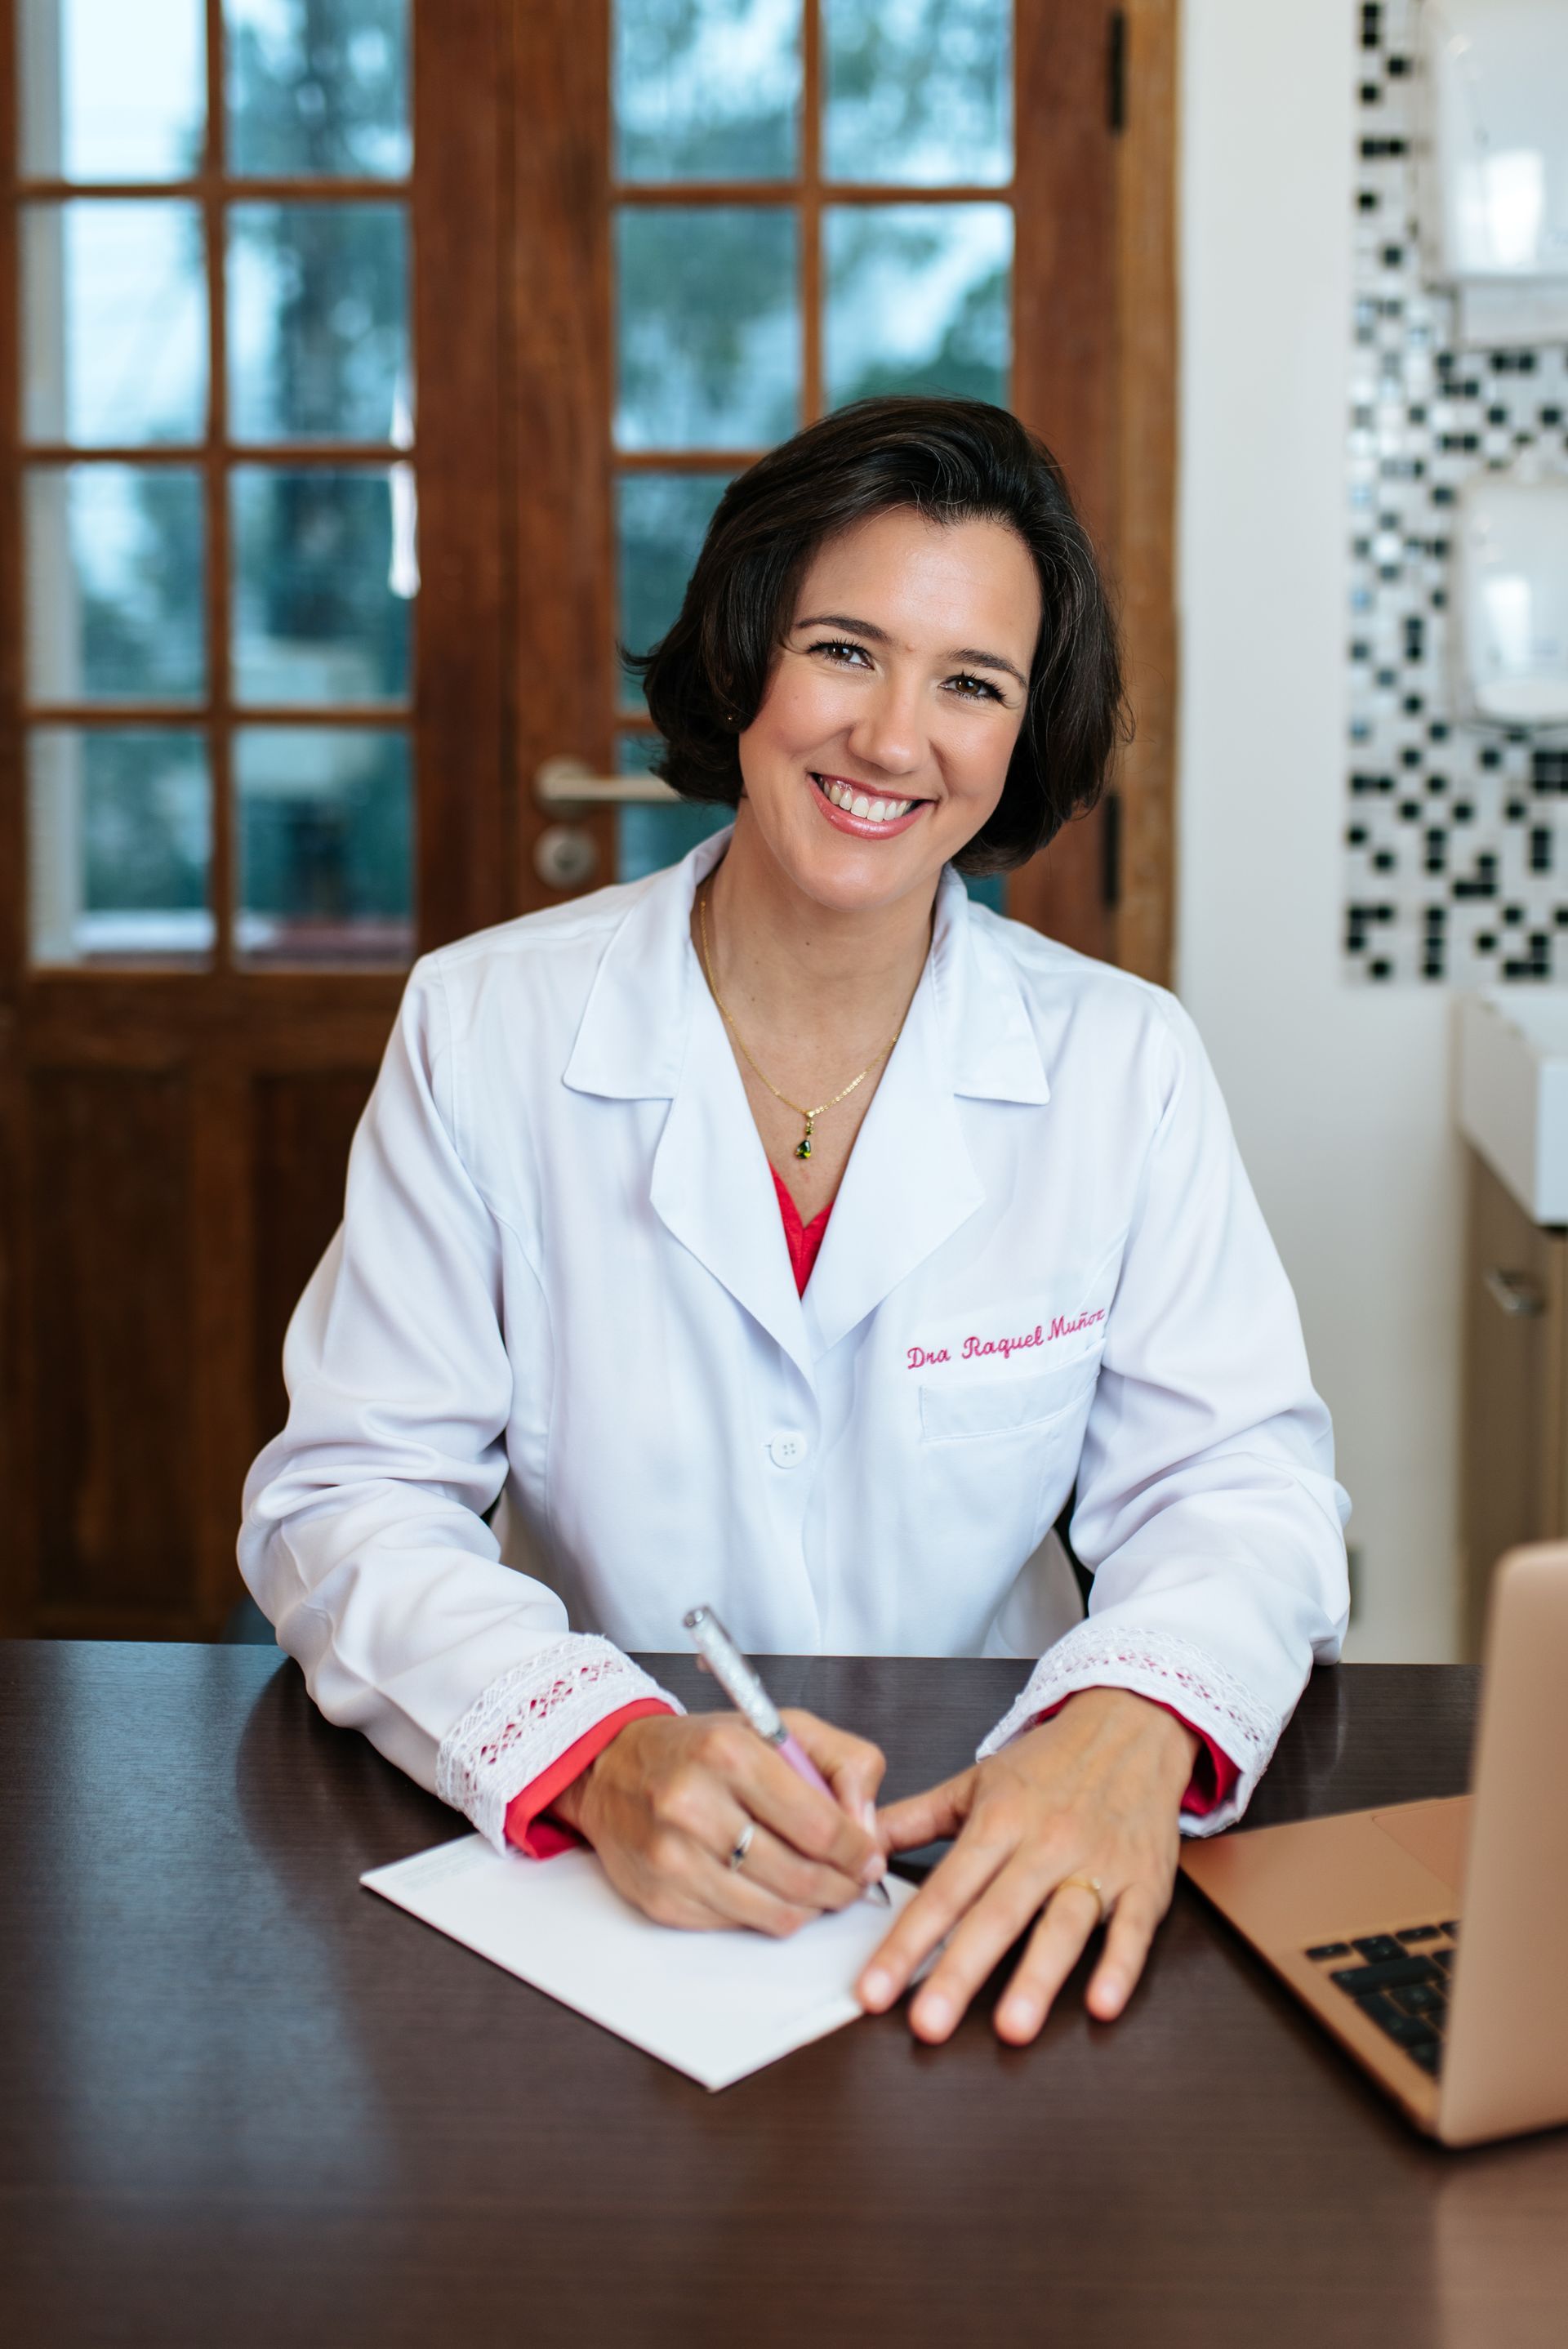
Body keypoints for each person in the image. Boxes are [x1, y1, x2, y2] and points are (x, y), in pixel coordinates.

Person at [240, 396, 1349, 2047]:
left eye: (971, 684)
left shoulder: (1124, 1065)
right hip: (619, 1906)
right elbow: (348, 1501)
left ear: (1021, 734)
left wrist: (1127, 1723)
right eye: (846, 650)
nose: (895, 740)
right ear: (748, 656)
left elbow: (1245, 1488)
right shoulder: (486, 1029)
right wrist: (601, 1749)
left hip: (991, 1859)